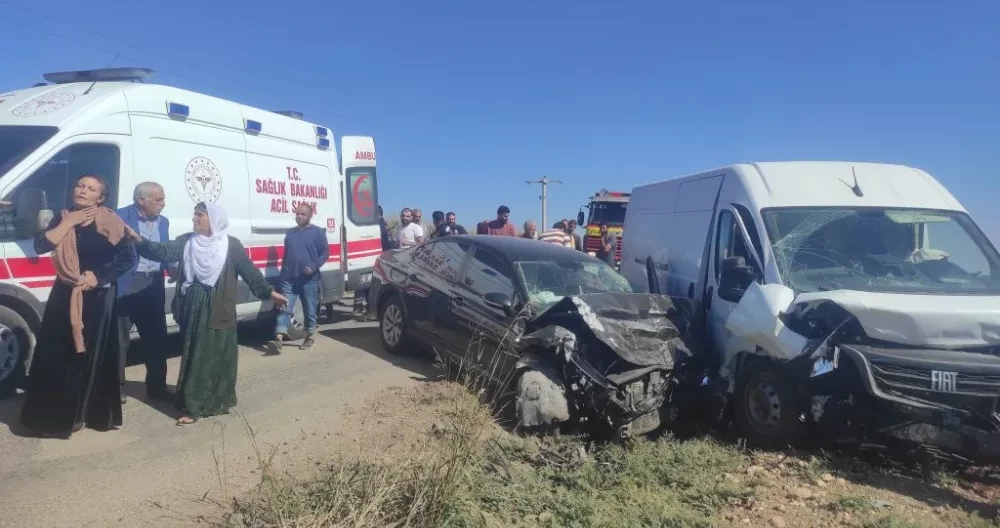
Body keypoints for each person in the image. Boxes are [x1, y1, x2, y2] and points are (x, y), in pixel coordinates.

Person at [125, 202, 287, 425]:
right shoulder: (187, 241)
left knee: (217, 355)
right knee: (196, 355)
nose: (194, 219)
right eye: (194, 215)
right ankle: (193, 404)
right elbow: (162, 251)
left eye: (199, 215)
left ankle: (214, 402)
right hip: (193, 305)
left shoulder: (231, 246)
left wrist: (270, 292)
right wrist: (139, 241)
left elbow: (250, 273)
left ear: (213, 220)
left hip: (219, 306)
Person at [20, 174, 136, 438]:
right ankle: (49, 415)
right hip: (65, 293)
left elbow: (128, 257)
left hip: (96, 296)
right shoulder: (62, 217)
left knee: (86, 356)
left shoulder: (110, 220)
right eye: (80, 185)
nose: (83, 190)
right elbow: (41, 245)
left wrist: (98, 276)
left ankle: (81, 414)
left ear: (101, 197)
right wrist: (69, 222)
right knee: (57, 352)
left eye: (91, 188)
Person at [116, 182, 173, 405]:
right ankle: (116, 388)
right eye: (158, 199)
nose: (163, 204)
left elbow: (164, 250)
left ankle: (157, 389)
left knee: (156, 339)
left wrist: (172, 267)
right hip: (127, 285)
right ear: (142, 200)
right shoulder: (119, 217)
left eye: (163, 199)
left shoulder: (164, 222)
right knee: (119, 341)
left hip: (153, 286)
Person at [272, 203, 328, 352]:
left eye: (303, 214)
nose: (299, 216)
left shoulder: (318, 233)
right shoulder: (290, 233)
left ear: (310, 216)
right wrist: (283, 274)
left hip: (309, 279)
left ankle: (310, 336)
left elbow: (325, 254)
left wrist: (314, 266)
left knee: (309, 308)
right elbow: (286, 255)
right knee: (285, 307)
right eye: (297, 213)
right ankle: (279, 337)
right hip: (289, 278)